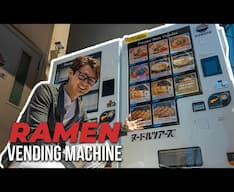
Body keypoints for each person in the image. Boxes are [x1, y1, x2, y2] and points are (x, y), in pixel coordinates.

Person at [0, 56, 144, 168]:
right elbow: (36, 135)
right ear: (71, 73)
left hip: (53, 158)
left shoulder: (80, 110)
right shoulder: (46, 92)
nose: (85, 84)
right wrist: (65, 163)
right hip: (26, 155)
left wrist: (124, 129)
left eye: (91, 81)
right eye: (83, 77)